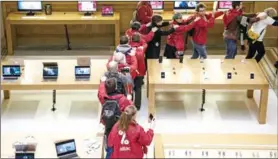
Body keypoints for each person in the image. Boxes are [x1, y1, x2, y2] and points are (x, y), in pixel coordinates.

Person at [129, 33, 147, 110]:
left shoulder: (128, 49)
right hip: (140, 72)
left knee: (130, 88)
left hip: (131, 72)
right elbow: (145, 43)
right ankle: (138, 106)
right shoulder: (142, 48)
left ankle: (130, 103)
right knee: (138, 88)